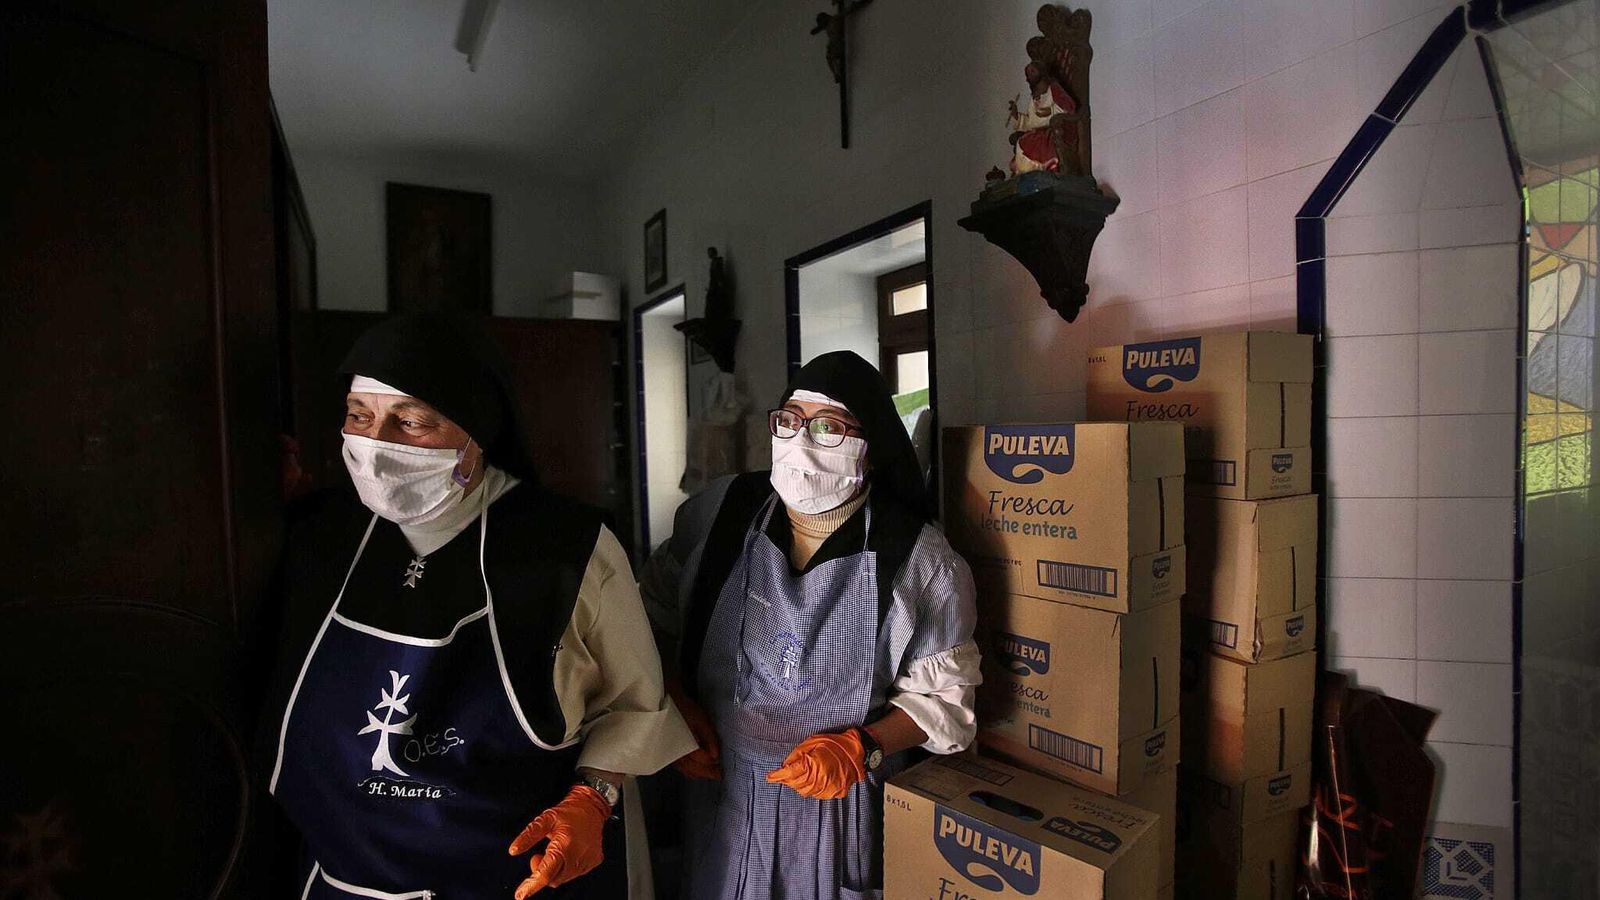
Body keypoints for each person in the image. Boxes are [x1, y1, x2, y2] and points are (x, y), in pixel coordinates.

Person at [260, 313, 694, 899]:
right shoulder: (318, 536)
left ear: (476, 433)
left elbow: (633, 705)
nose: (376, 445)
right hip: (341, 880)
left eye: (410, 422)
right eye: (359, 416)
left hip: (517, 879)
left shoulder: (567, 548)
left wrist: (595, 798)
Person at [640, 350, 982, 899]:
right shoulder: (722, 513)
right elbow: (649, 617)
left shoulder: (918, 558)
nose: (801, 441)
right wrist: (673, 704)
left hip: (838, 818)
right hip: (720, 794)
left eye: (828, 428)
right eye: (790, 421)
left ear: (868, 450)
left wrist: (862, 748)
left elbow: (943, 703)